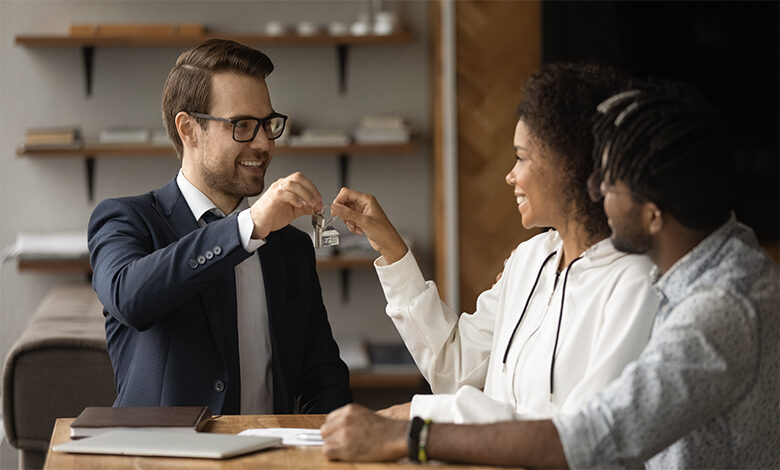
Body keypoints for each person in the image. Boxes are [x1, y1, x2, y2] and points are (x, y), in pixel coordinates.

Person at [320, 80, 779, 468]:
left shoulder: (706, 302)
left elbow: (591, 437)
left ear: (655, 211)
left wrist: (416, 431)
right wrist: (391, 248)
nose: (597, 191)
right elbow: (457, 368)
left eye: (608, 182)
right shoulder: (709, 266)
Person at [329, 64, 658, 424]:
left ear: (569, 165)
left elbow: (579, 436)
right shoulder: (530, 259)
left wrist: (423, 413)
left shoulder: (635, 281)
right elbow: (453, 370)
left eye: (521, 157)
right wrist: (392, 250)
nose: (510, 175)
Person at [88, 39, 351, 415]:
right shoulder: (126, 220)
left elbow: (322, 376)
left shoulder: (290, 246)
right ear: (188, 129)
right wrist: (247, 228)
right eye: (242, 125)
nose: (263, 143)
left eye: (267, 124)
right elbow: (131, 298)